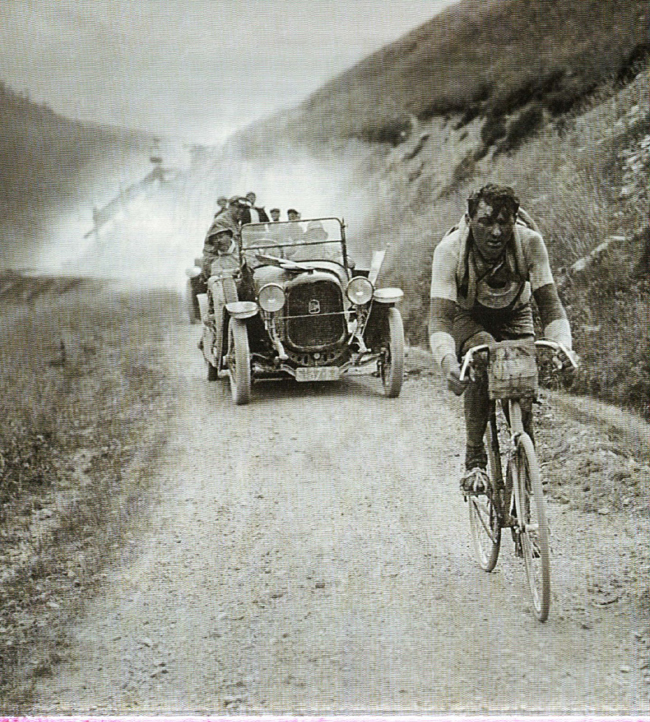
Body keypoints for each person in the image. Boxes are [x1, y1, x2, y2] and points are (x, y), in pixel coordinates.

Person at [428, 183, 575, 494]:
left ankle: (525, 464)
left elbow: (549, 304)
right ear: (469, 221)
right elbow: (440, 317)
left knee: (521, 383)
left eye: (504, 222)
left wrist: (564, 347)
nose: (496, 232)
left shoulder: (530, 243)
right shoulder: (450, 250)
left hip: (515, 312)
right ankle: (474, 458)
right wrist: (447, 362)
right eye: (486, 222)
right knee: (485, 357)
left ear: (514, 220)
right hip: (467, 316)